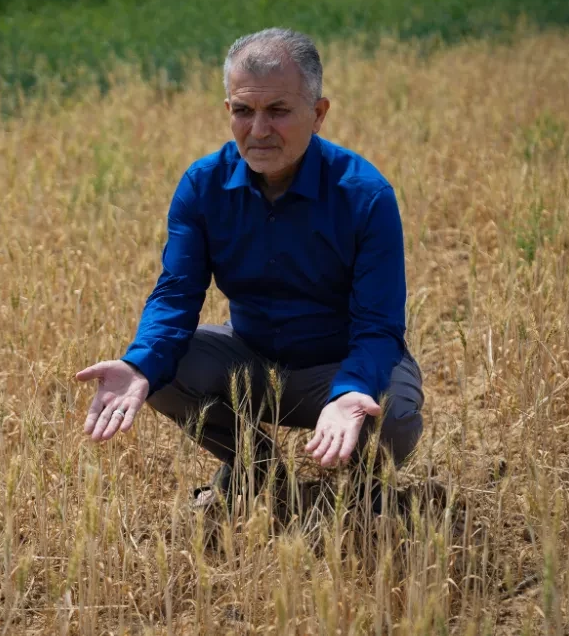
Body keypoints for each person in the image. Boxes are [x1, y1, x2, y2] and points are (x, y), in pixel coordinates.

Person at [76, 27, 424, 519]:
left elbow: (379, 324)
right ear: (228, 112)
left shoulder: (364, 194)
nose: (258, 129)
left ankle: (359, 490)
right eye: (244, 111)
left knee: (393, 417)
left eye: (278, 111)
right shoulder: (203, 186)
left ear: (318, 114)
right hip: (253, 359)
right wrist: (140, 366)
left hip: (339, 365)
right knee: (163, 369)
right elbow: (176, 295)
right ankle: (257, 471)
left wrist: (350, 391)